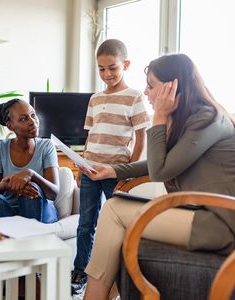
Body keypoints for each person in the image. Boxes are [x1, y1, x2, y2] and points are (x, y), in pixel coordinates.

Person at [80, 53, 235, 300]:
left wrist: (160, 117)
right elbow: (162, 163)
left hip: (221, 224)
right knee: (115, 214)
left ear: (173, 86)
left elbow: (160, 170)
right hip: (205, 216)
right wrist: (115, 170)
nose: (146, 92)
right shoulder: (197, 118)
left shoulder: (208, 119)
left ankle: (93, 296)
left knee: (113, 209)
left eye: (151, 85)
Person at [72, 39, 150, 294]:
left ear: (125, 65)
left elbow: (141, 137)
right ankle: (80, 270)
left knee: (119, 224)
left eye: (112, 68)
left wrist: (128, 169)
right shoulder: (95, 99)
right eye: (101, 69)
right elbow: (91, 134)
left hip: (115, 172)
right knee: (85, 223)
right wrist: (82, 163)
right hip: (90, 171)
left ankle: (120, 276)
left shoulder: (134, 96)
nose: (107, 74)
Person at [0, 99, 60, 224]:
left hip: (42, 210)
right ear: (10, 126)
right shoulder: (0, 147)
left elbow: (54, 193)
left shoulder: (46, 146)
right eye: (23, 119)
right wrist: (4, 186)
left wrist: (31, 174)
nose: (33, 122)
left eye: (33, 115)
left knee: (32, 187)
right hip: (9, 211)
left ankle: (29, 235)